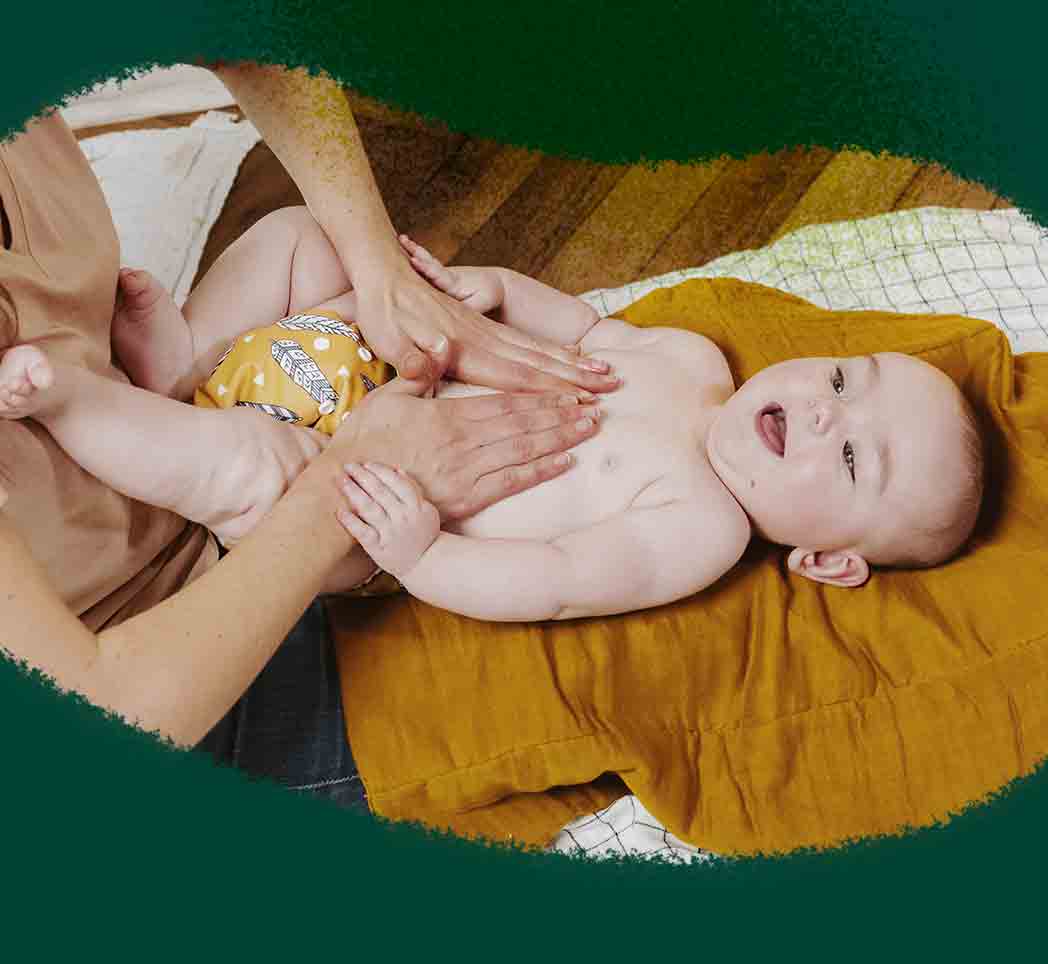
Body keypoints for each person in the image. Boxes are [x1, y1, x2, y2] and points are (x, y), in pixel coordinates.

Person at [0, 63, 616, 808]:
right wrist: (349, 483)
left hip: (180, 424)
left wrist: (382, 274)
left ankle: (168, 376)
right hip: (163, 667)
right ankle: (110, 404)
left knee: (304, 238)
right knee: (603, 682)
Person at [2, 204, 984, 624]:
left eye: (851, 460)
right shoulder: (694, 359)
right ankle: (188, 363)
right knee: (306, 238)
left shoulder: (704, 527)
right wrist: (494, 290)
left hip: (352, 493)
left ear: (825, 560)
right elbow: (583, 326)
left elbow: (555, 579)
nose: (823, 415)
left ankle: (81, 403)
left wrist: (422, 553)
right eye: (843, 381)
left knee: (248, 465)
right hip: (371, 360)